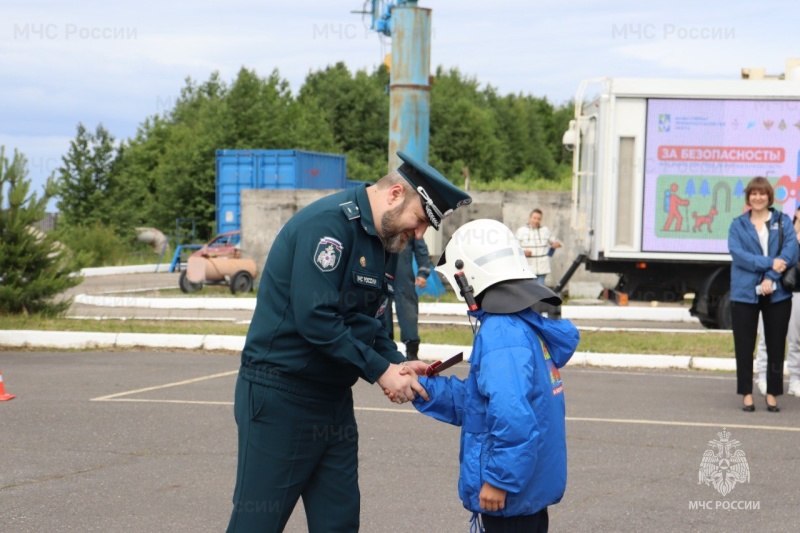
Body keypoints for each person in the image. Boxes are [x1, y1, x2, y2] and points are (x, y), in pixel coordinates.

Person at [226, 151, 472, 532]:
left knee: (338, 523)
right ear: (394, 194)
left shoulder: (388, 240)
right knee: (257, 523)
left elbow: (368, 323)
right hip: (281, 396)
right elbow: (317, 320)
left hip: (332, 400)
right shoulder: (329, 226)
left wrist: (397, 362)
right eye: (420, 220)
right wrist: (381, 372)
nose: (420, 234)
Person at [395, 219, 580, 532]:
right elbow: (481, 402)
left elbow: (511, 415)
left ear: (470, 276)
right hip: (528, 493)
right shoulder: (520, 323)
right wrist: (421, 385)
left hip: (509, 497)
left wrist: (499, 480)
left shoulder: (501, 332)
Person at [728, 177, 798, 413]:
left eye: (762, 194)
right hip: (744, 293)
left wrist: (771, 277)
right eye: (753, 194)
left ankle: (772, 393)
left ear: (770, 196)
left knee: (776, 344)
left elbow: (791, 251)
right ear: (748, 197)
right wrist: (770, 263)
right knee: (744, 345)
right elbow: (739, 256)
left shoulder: (783, 221)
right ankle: (747, 393)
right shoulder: (737, 225)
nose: (758, 198)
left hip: (777, 294)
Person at [754, 205, 800, 397]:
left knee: (796, 339)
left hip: (797, 291)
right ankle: (763, 377)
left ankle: (796, 380)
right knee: (768, 336)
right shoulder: (783, 233)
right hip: (776, 290)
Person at [384, 236, 431, 360]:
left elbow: (420, 247)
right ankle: (384, 348)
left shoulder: (410, 219)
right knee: (381, 308)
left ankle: (412, 351)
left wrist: (423, 273)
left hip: (402, 272)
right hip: (381, 268)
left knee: (407, 309)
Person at [515, 208, 562, 286]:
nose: (536, 221)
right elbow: (515, 248)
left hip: (542, 269)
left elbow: (556, 242)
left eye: (539, 219)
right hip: (528, 269)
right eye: (534, 218)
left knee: (540, 292)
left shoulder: (545, 230)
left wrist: (557, 244)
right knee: (528, 291)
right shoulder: (521, 231)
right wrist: (523, 252)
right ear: (530, 218)